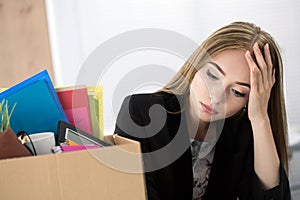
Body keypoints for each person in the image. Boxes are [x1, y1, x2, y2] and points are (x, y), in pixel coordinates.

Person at [114, 21, 291, 199]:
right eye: (212, 75)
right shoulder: (140, 113)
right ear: (196, 64)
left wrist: (260, 118)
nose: (216, 97)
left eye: (238, 92)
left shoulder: (243, 131)